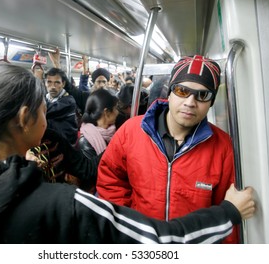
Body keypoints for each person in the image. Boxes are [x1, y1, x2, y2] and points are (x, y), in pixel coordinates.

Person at [0, 63, 256, 244]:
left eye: (202, 95)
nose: (191, 102)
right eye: (43, 108)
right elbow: (159, 241)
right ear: (24, 119)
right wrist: (229, 211)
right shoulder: (62, 203)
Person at [96, 55, 240, 243]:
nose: (190, 102)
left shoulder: (223, 148)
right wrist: (130, 227)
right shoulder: (131, 132)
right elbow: (110, 182)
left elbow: (227, 218)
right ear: (169, 92)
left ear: (211, 103)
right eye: (182, 91)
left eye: (202, 95)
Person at [75, 89, 119, 192]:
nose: (118, 112)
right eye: (115, 108)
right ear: (106, 112)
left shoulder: (112, 132)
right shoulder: (85, 141)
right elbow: (92, 174)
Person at [44, 67, 78, 145]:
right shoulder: (45, 98)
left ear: (63, 84)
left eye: (57, 82)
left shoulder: (69, 101)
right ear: (45, 83)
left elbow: (47, 110)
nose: (52, 86)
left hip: (65, 146)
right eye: (49, 82)